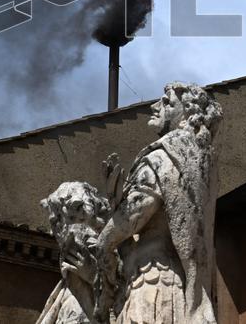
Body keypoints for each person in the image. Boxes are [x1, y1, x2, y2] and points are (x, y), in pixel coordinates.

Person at [93, 82, 222, 324]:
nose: (156, 106)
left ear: (186, 115)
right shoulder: (202, 163)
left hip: (152, 283)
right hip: (174, 284)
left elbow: (129, 220)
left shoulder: (163, 158)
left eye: (166, 103)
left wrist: (104, 241)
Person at [36, 182, 110, 324]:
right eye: (65, 222)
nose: (71, 229)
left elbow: (123, 301)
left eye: (76, 219)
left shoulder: (118, 253)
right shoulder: (65, 289)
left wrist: (94, 276)